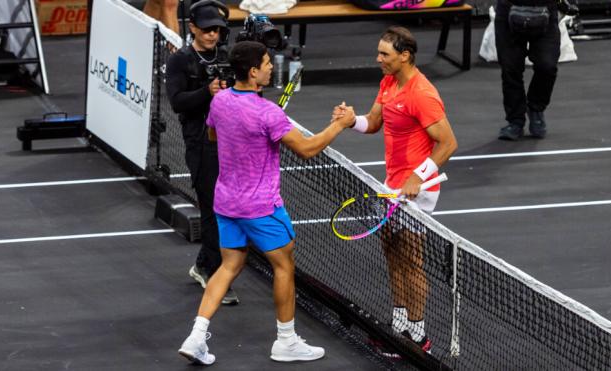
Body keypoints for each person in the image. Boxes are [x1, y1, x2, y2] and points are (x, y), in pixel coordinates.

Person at [177, 41, 356, 365]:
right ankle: (286, 341)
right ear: (253, 71)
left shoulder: (219, 102)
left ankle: (196, 336)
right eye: (266, 62)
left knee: (229, 265)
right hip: (261, 208)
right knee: (284, 266)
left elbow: (215, 138)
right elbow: (307, 148)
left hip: (226, 203)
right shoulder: (268, 113)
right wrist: (339, 125)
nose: (272, 66)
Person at [333, 26, 458, 355]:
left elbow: (448, 143)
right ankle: (399, 323)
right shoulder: (388, 82)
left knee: (411, 258)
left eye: (384, 54)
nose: (378, 59)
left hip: (418, 189)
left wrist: (419, 176)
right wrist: (351, 120)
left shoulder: (423, 94)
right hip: (391, 185)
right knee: (392, 253)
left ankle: (418, 335)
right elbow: (373, 123)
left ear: (405, 56)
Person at [165, 0, 239, 304]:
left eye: (217, 30)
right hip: (200, 141)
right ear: (193, 27)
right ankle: (215, 271)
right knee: (211, 207)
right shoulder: (180, 61)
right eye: (207, 29)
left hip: (231, 141)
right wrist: (206, 92)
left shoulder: (227, 56)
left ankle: (202, 264)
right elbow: (177, 102)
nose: (212, 35)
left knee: (229, 207)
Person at [495, 0, 561, 140]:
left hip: (545, 8)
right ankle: (515, 121)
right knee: (510, 68)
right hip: (509, 9)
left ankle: (536, 108)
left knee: (547, 66)